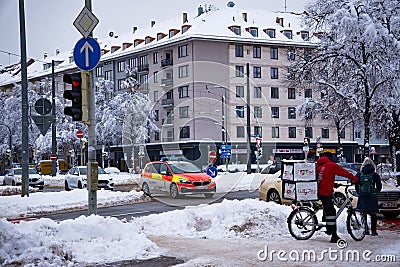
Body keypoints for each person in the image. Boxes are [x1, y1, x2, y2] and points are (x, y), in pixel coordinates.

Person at [316, 152, 359, 243]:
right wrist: (356, 180)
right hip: (325, 192)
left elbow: (323, 178)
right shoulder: (331, 165)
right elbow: (344, 173)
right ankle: (333, 235)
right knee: (332, 212)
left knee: (328, 210)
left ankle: (328, 228)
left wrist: (333, 184)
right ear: (330, 157)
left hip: (320, 191)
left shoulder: (319, 166)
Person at [355, 157, 382, 236]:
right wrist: (376, 191)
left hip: (363, 196)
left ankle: (366, 230)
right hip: (372, 196)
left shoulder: (360, 174)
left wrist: (359, 192)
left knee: (364, 214)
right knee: (373, 214)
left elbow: (356, 184)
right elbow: (379, 185)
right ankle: (373, 231)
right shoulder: (375, 174)